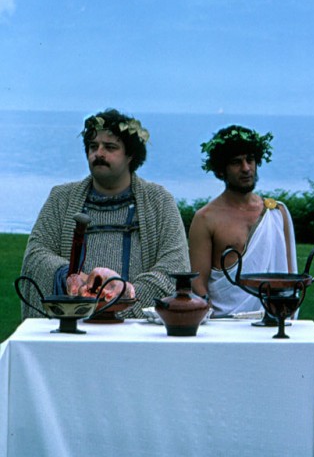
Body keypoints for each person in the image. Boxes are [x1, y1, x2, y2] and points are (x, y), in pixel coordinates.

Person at [20, 109, 189, 318]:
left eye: (110, 147)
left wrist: (125, 294)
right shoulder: (61, 199)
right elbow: (35, 256)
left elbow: (174, 266)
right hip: (72, 323)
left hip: (136, 330)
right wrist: (70, 276)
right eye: (93, 146)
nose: (99, 154)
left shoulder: (159, 201)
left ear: (130, 155)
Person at [188, 125, 297, 316]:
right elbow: (197, 282)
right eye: (236, 162)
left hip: (273, 318)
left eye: (250, 160)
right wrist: (209, 316)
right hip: (224, 321)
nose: (246, 168)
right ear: (221, 170)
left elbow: (289, 276)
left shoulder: (276, 212)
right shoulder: (205, 218)